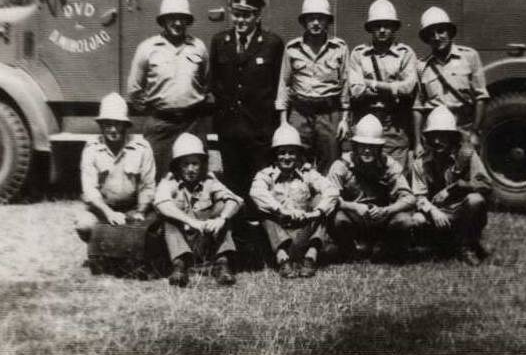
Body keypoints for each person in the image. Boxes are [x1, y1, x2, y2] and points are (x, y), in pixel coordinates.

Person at [209, 0, 284, 200]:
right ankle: (237, 228)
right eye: (237, 14)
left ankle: (259, 228)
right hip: (230, 129)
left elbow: (278, 85)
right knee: (233, 181)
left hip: (259, 129)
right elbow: (214, 83)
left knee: (260, 181)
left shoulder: (272, 43)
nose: (240, 20)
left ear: (258, 16)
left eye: (247, 15)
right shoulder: (219, 42)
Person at [127, 0, 210, 177]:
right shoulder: (147, 48)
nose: (178, 23)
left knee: (195, 176)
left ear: (187, 21)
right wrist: (156, 111)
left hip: (192, 123)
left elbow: (206, 82)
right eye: (172, 18)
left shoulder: (198, 47)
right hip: (160, 124)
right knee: (156, 175)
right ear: (163, 21)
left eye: (182, 18)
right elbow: (134, 89)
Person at [326, 114, 421, 260]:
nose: (367, 150)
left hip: (381, 218)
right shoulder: (341, 165)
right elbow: (328, 199)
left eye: (372, 147)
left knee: (405, 221)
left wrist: (386, 210)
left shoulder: (389, 164)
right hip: (354, 217)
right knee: (336, 219)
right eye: (362, 146)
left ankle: (384, 249)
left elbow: (409, 198)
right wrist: (354, 207)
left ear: (380, 148)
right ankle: (351, 251)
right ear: (355, 146)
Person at [249, 124, 338, 279]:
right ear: (275, 156)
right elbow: (256, 192)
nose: (287, 157)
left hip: (304, 233)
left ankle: (311, 257)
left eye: (292, 153)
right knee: (264, 210)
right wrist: (282, 211)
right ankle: (283, 260)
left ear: (298, 155)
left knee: (321, 201)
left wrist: (315, 213)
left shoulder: (308, 174)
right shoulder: (266, 175)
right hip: (278, 235)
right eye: (282, 153)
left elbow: (332, 190)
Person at [154, 133, 242, 287]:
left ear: (202, 163)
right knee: (167, 218)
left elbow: (236, 200)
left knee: (223, 207)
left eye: (195, 163)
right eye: (185, 164)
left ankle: (221, 264)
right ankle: (179, 266)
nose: (191, 169)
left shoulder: (209, 180)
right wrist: (191, 222)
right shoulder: (169, 181)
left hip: (206, 239)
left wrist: (221, 219)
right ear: (177, 165)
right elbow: (161, 203)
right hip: (181, 241)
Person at [275, 0, 350, 172]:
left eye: (321, 18)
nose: (316, 23)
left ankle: (329, 199)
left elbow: (346, 84)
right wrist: (284, 122)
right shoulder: (292, 49)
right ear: (304, 22)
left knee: (331, 163)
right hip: (300, 112)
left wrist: (345, 119)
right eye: (311, 18)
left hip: (329, 113)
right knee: (296, 161)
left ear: (327, 22)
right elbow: (284, 84)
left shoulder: (339, 48)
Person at [410, 106, 491, 265]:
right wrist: (433, 211)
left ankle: (466, 245)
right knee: (416, 220)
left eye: (442, 136)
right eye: (433, 136)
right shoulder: (420, 162)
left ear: (452, 137)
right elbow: (418, 195)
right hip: (436, 212)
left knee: (476, 200)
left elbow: (486, 184)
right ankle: (440, 245)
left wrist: (458, 186)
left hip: (461, 210)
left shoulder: (466, 155)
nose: (437, 141)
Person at [347, 0, 418, 173]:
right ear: (370, 28)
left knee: (396, 174)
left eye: (387, 25)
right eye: (377, 26)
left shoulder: (405, 54)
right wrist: (393, 88)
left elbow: (408, 88)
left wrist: (371, 84)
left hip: (394, 124)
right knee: (366, 173)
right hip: (365, 122)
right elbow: (356, 90)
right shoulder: (359, 55)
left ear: (394, 27)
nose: (382, 30)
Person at [75, 92, 157, 243]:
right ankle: (98, 251)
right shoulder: (91, 149)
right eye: (108, 124)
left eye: (117, 123)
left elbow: (148, 186)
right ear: (101, 126)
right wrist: (108, 213)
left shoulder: (141, 148)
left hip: (133, 207)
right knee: (84, 224)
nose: (113, 129)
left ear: (125, 125)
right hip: (101, 208)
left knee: (151, 228)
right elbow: (89, 190)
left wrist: (140, 211)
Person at [413, 6, 490, 155]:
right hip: (434, 133)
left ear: (449, 32)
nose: (436, 37)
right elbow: (418, 106)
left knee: (466, 174)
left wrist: (474, 132)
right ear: (427, 38)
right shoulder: (422, 66)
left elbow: (481, 97)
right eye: (431, 33)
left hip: (463, 130)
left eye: (441, 31)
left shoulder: (469, 57)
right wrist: (417, 143)